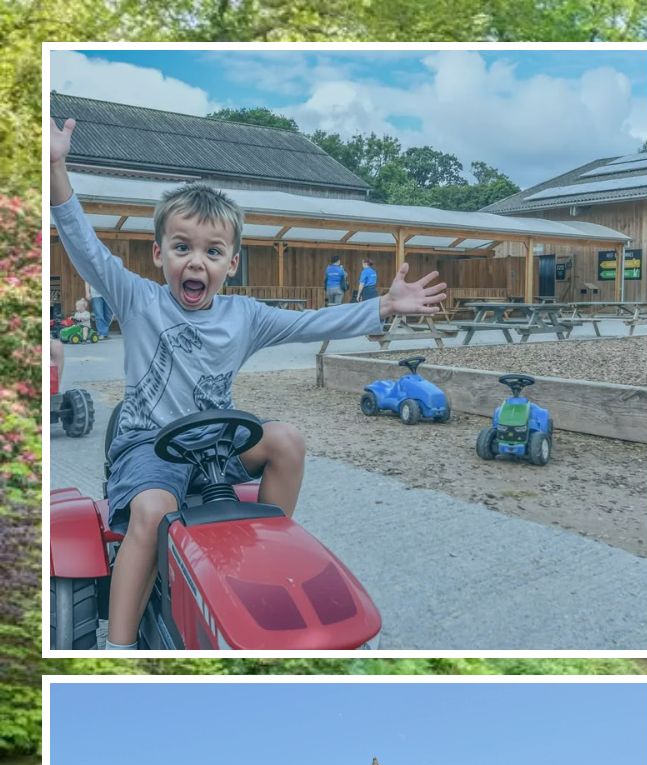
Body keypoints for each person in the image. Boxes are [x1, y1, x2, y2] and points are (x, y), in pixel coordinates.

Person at [48, 116, 447, 650]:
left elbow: (312, 323)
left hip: (214, 446)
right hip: (149, 444)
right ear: (158, 254)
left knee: (286, 439)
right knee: (153, 509)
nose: (196, 261)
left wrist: (384, 305)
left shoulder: (245, 316)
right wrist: (55, 166)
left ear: (231, 263)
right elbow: (86, 249)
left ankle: (262, 552)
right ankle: (119, 648)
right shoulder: (138, 299)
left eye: (212, 252)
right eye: (182, 247)